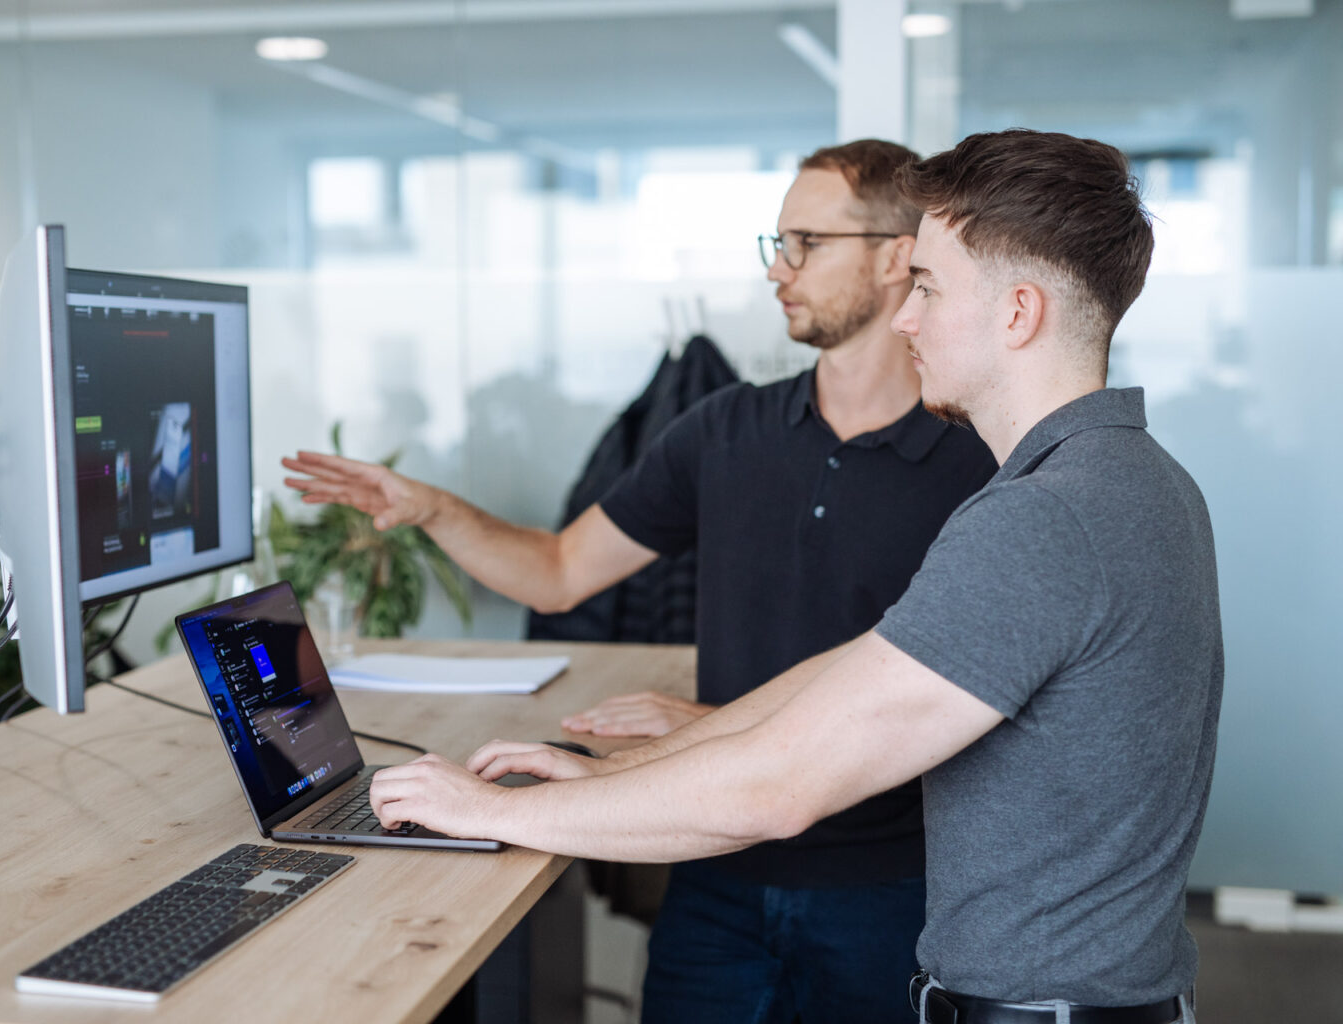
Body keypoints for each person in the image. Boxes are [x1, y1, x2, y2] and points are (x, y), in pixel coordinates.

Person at [366, 129, 1222, 1024]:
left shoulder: (1042, 520)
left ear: (1017, 313)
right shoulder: (1136, 481)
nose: (906, 317)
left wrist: (494, 812)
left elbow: (782, 786)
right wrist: (621, 776)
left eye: (929, 287)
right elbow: (857, 672)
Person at [284, 139, 996, 1024]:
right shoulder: (726, 429)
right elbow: (557, 574)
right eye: (774, 243)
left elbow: (969, 705)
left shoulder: (979, 460)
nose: (779, 269)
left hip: (892, 888)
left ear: (898, 255)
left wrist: (716, 724)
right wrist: (431, 508)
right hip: (713, 866)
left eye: (807, 243)